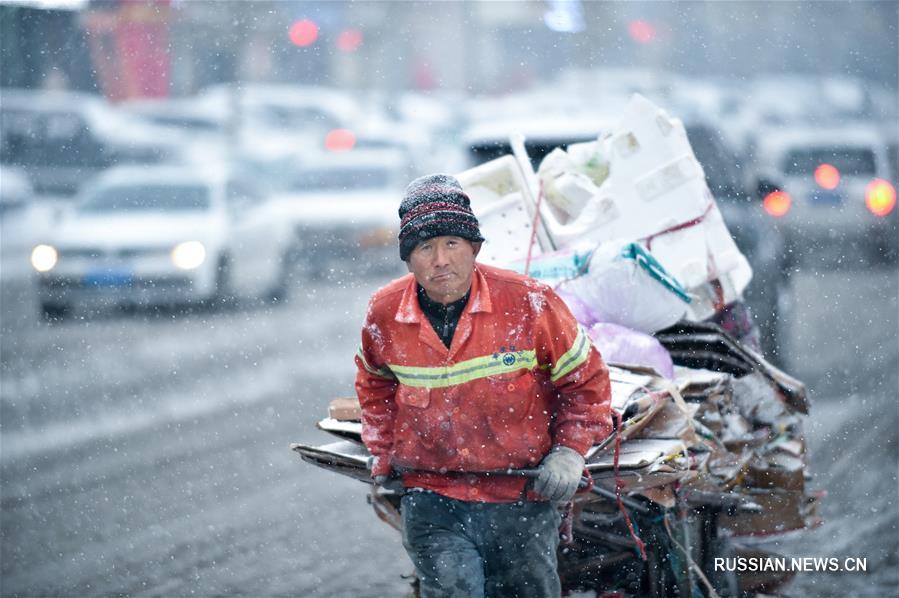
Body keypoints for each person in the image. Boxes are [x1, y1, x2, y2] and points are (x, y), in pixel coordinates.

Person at [355, 173, 612, 598]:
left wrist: (569, 452)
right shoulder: (384, 313)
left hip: (521, 495)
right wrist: (382, 456)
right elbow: (375, 385)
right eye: (425, 247)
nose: (440, 260)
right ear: (408, 258)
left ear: (474, 248)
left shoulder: (529, 302)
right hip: (432, 494)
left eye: (452, 244)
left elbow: (585, 382)